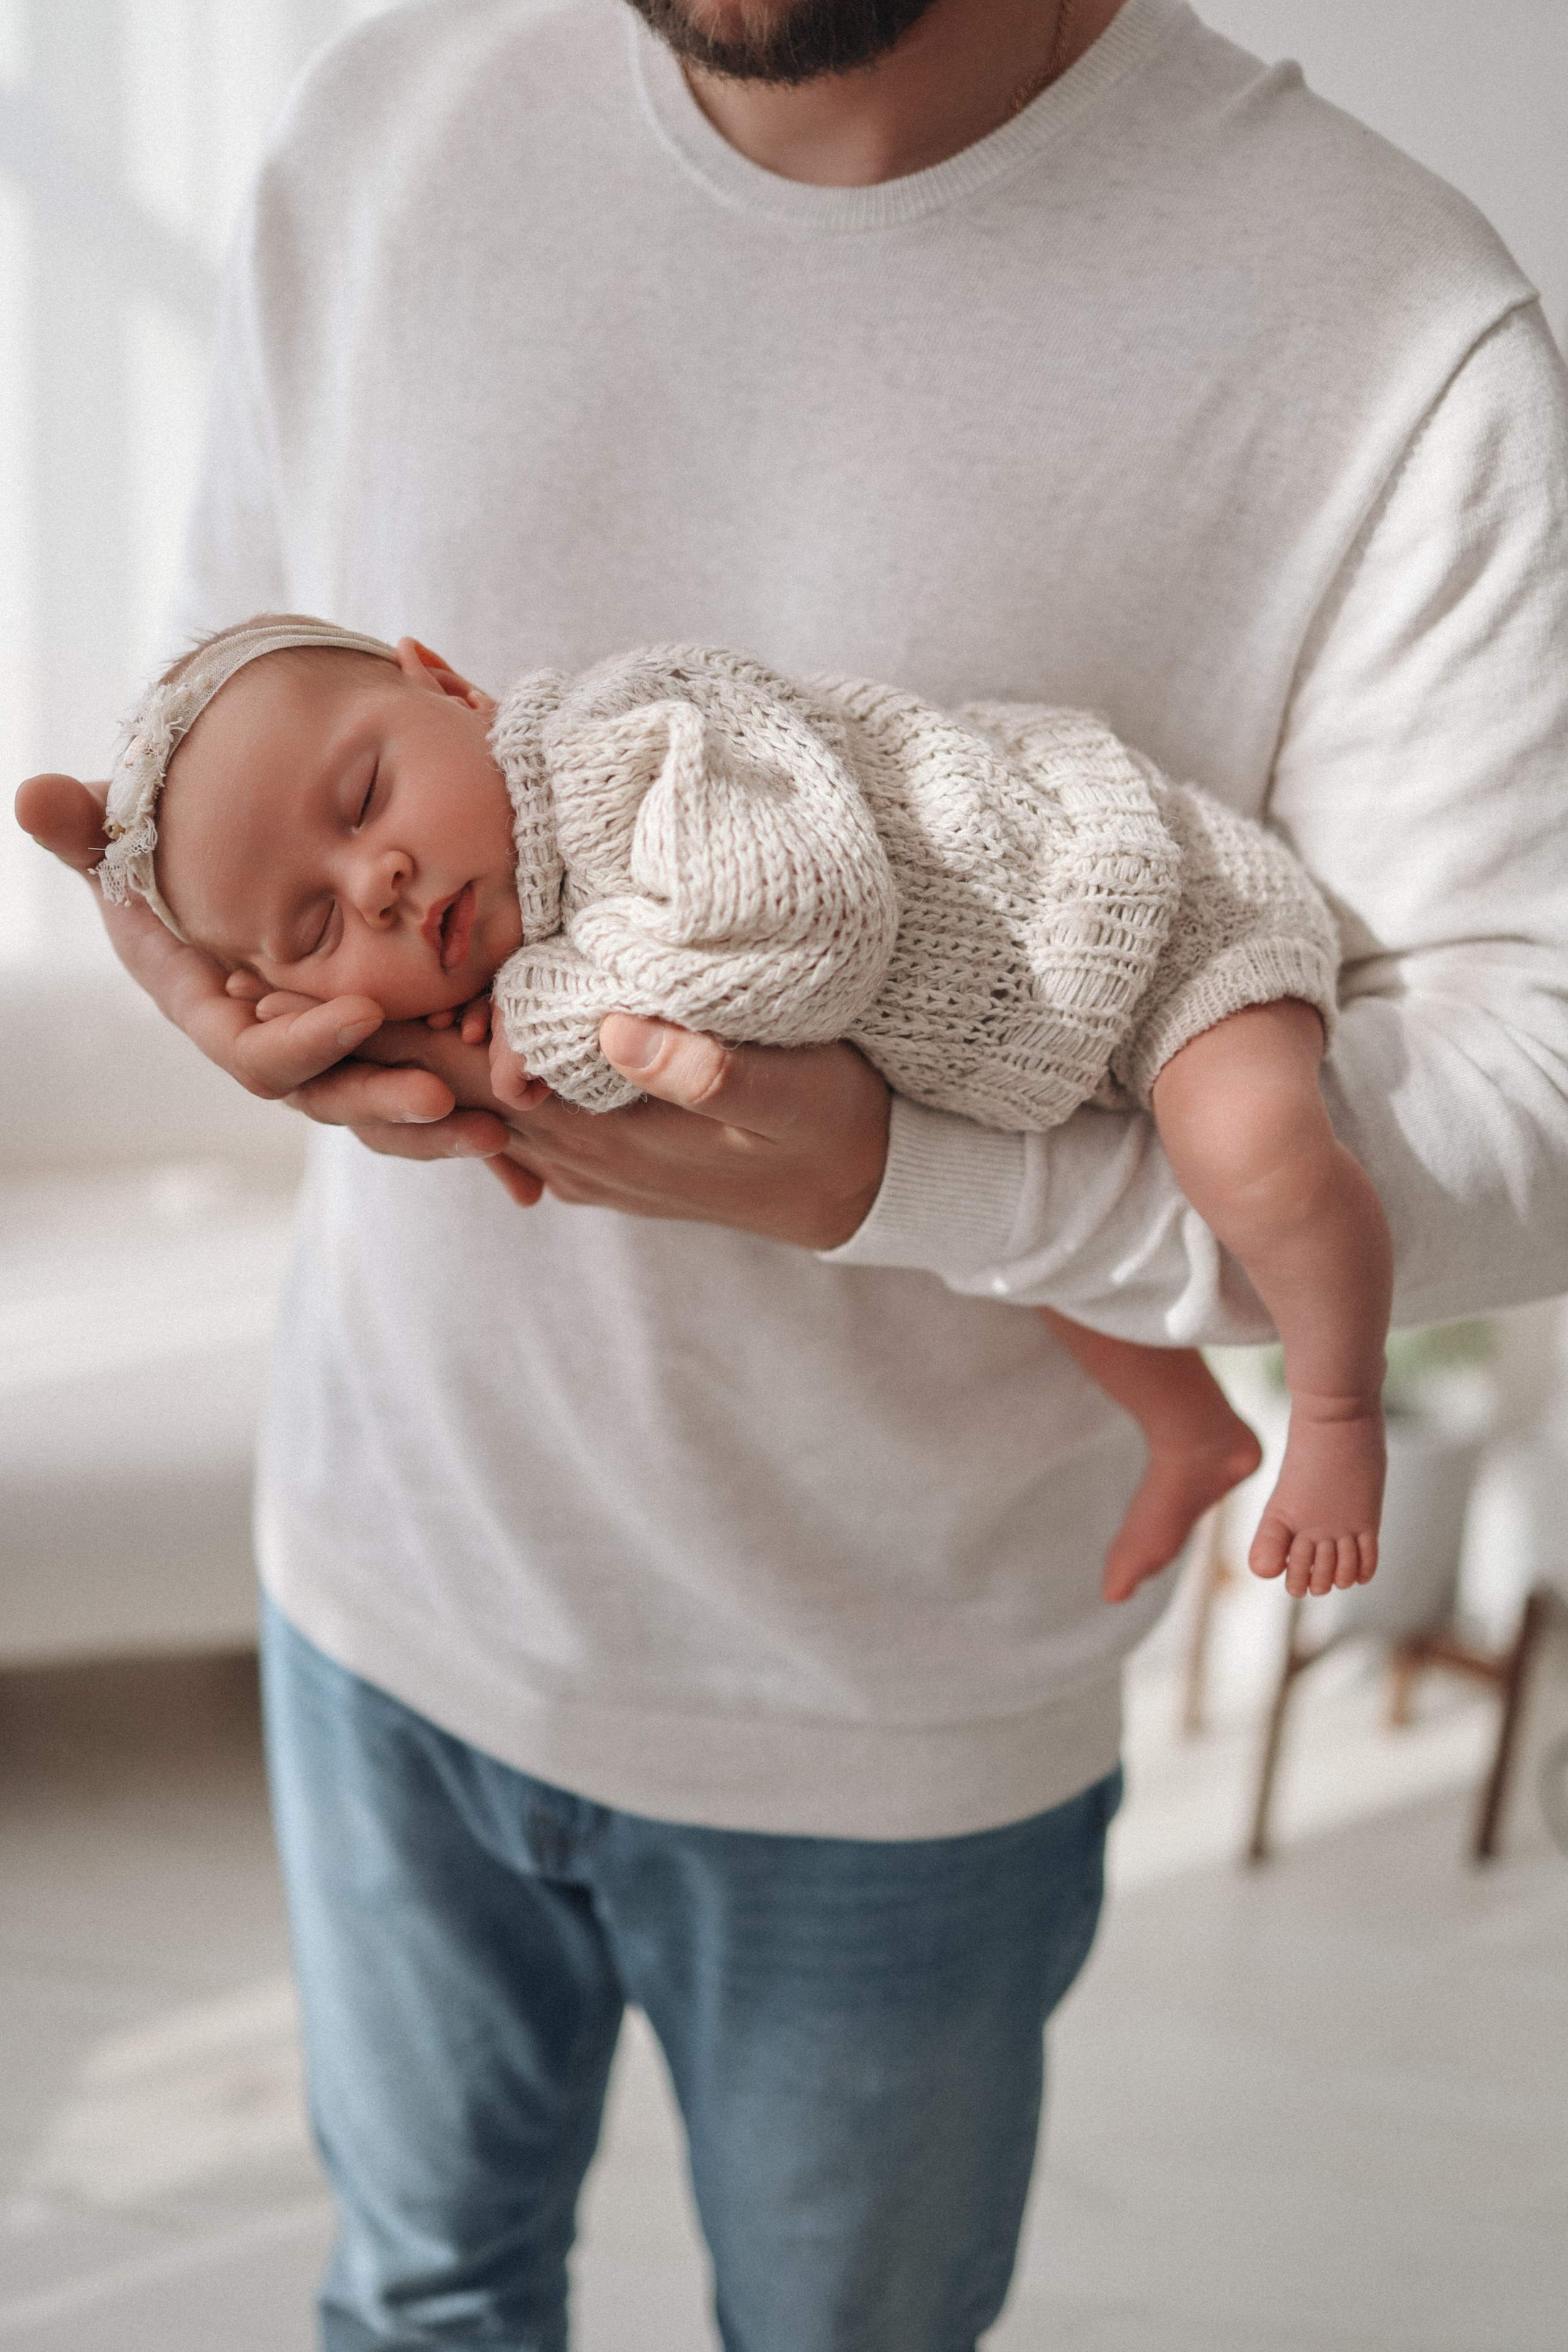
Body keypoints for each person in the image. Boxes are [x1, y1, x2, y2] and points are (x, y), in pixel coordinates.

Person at [18, 1, 1568, 2345]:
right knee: (414, 2296)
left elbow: (1531, 1093)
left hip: (897, 1731)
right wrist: (236, 985)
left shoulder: (1388, 327)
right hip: (385, 1586)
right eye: (336, 881)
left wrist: (895, 1181)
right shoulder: (387, 113)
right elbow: (236, 733)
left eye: (379, 828)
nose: (387, 890)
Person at [87, 612, 1385, 1600]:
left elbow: (808, 925)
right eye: (315, 924)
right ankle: (1189, 1429)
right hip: (1021, 1059)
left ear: (443, 682)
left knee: (1252, 1152)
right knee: (1017, 1258)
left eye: (364, 797)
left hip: (1153, 919)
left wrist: (538, 1019)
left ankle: (1330, 1408)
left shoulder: (624, 748)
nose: (374, 879)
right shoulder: (525, 921)